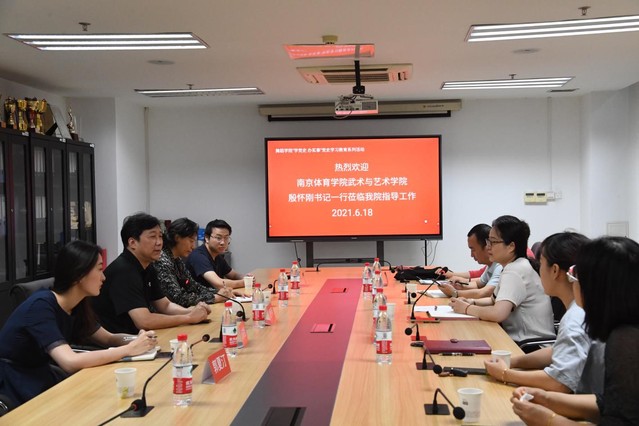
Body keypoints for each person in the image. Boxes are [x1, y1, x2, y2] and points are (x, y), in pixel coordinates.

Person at [0, 240, 157, 408]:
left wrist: (137, 339)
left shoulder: (77, 305)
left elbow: (109, 339)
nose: (103, 277)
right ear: (79, 275)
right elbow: (70, 361)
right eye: (99, 269)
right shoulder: (40, 306)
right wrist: (128, 349)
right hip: (15, 383)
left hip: (41, 375)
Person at [511, 236, 639, 425]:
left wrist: (549, 420)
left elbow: (620, 420)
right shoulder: (622, 329)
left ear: (596, 286)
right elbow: (613, 403)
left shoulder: (626, 341)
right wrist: (547, 399)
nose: (573, 280)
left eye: (577, 274)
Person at [485, 232, 601, 393]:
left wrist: (505, 374)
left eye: (541, 263)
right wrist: (512, 361)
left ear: (555, 270)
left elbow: (560, 383)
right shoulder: (585, 308)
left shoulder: (575, 317)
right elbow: (556, 351)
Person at [92, 213, 211, 334]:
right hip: (115, 340)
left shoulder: (148, 266)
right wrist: (188, 318)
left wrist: (192, 311)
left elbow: (165, 305)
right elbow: (144, 321)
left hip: (137, 336)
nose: (159, 242)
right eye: (153, 237)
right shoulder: (123, 271)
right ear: (132, 243)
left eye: (160, 236)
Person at [450, 215, 555, 343]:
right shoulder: (514, 266)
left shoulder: (515, 271)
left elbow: (498, 313)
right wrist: (471, 302)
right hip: (521, 341)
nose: (488, 247)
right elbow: (494, 300)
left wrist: (467, 309)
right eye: (488, 241)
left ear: (511, 246)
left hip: (529, 346)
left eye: (493, 242)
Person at [155, 218, 241, 307]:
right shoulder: (162, 260)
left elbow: (194, 286)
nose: (193, 246)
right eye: (191, 241)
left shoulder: (177, 260)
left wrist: (221, 293)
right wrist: (215, 297)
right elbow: (177, 298)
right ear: (177, 238)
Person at [437, 224, 503, 299]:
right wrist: (460, 285)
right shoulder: (491, 265)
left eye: (473, 249)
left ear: (487, 247)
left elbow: (485, 293)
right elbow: (478, 284)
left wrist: (454, 293)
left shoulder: (500, 266)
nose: (471, 255)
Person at [186, 219, 248, 290]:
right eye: (218, 238)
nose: (223, 242)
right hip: (199, 296)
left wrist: (246, 278)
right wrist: (244, 282)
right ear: (207, 238)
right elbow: (219, 284)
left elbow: (233, 275)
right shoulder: (198, 256)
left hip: (214, 295)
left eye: (226, 238)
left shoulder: (217, 256)